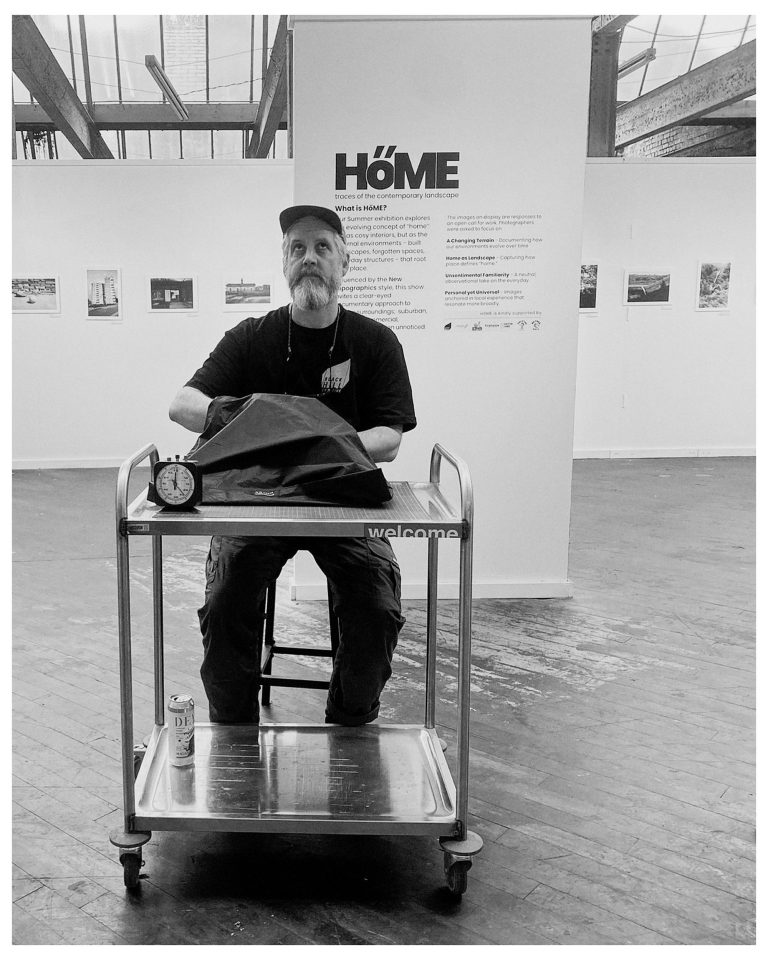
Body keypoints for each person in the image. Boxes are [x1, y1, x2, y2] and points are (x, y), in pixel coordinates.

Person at [169, 205, 417, 726]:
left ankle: (350, 726)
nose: (309, 258)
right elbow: (182, 404)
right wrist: (255, 425)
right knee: (226, 603)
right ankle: (234, 732)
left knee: (376, 608)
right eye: (297, 249)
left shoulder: (376, 342)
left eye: (322, 247)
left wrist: (313, 447)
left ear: (344, 262)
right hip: (258, 500)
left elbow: (390, 438)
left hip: (345, 498)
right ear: (284, 264)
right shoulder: (251, 336)